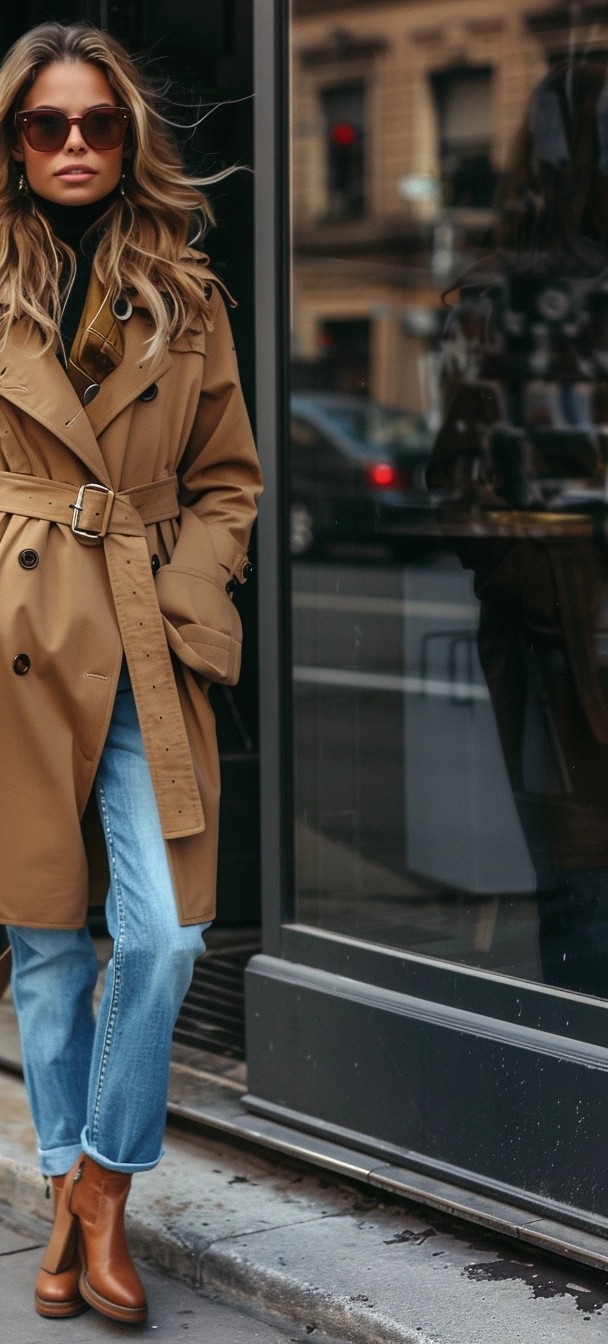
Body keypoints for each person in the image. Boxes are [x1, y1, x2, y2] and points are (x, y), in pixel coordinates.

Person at [0, 21, 261, 1327]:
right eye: (50, 125)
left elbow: (228, 482)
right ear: (15, 142)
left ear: (130, 138)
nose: (78, 145)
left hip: (142, 633)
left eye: (100, 124)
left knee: (164, 934)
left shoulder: (189, 294)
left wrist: (194, 587)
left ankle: (100, 1184)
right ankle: (70, 1204)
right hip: (16, 640)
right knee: (46, 944)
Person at [427, 59, 608, 994]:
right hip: (564, 644)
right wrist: (545, 581)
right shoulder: (504, 301)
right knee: (584, 892)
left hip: (561, 632)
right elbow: (460, 489)